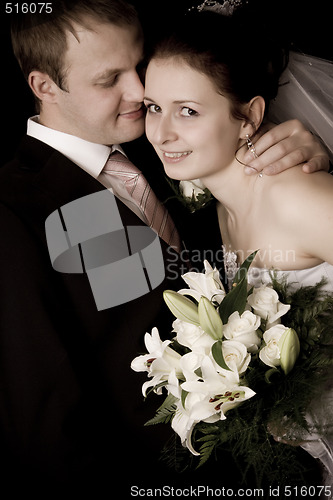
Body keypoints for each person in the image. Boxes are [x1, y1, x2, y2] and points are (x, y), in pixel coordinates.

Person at [0, 0, 329, 494]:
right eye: (110, 79)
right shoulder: (16, 212)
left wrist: (318, 158)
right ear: (44, 86)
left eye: (139, 67)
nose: (139, 93)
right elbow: (44, 421)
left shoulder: (168, 150)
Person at [143, 2, 333, 487]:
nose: (162, 133)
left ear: (249, 116)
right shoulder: (218, 204)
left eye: (188, 111)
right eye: (153, 108)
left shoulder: (294, 197)